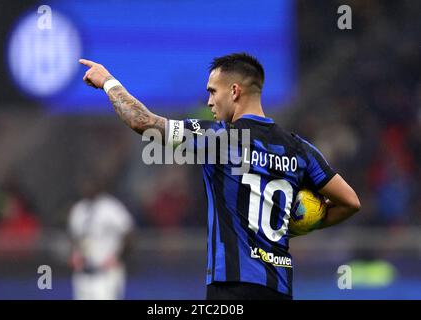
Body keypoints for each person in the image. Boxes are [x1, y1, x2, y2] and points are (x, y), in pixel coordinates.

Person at [79, 53, 360, 300]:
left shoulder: (218, 138)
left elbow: (144, 122)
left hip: (232, 287)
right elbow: (350, 202)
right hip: (279, 287)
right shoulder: (299, 148)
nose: (209, 101)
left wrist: (108, 82)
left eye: (213, 92)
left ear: (234, 91)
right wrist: (299, 227)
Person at [68, 177, 134, 300]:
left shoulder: (110, 207)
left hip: (106, 273)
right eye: (84, 184)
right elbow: (74, 237)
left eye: (90, 184)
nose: (87, 187)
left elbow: (129, 233)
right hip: (83, 272)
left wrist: (119, 257)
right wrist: (74, 254)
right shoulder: (79, 209)